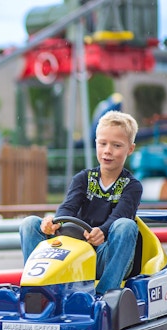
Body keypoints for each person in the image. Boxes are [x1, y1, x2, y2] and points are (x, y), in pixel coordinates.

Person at [19, 110, 143, 297]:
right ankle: (38, 291)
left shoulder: (132, 186)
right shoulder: (83, 178)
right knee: (29, 224)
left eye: (116, 145)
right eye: (103, 144)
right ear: (96, 143)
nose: (108, 150)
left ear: (130, 149)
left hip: (104, 255)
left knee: (125, 226)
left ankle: (104, 296)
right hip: (74, 251)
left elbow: (120, 215)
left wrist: (102, 231)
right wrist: (53, 222)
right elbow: (68, 207)